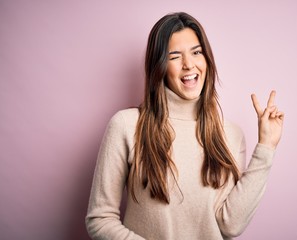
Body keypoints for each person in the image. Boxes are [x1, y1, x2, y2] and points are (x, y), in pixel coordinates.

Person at [85, 12, 284, 240]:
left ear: (207, 59)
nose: (189, 65)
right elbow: (99, 219)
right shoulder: (127, 125)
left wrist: (266, 147)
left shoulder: (231, 135)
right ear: (159, 66)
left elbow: (230, 225)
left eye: (197, 52)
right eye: (175, 56)